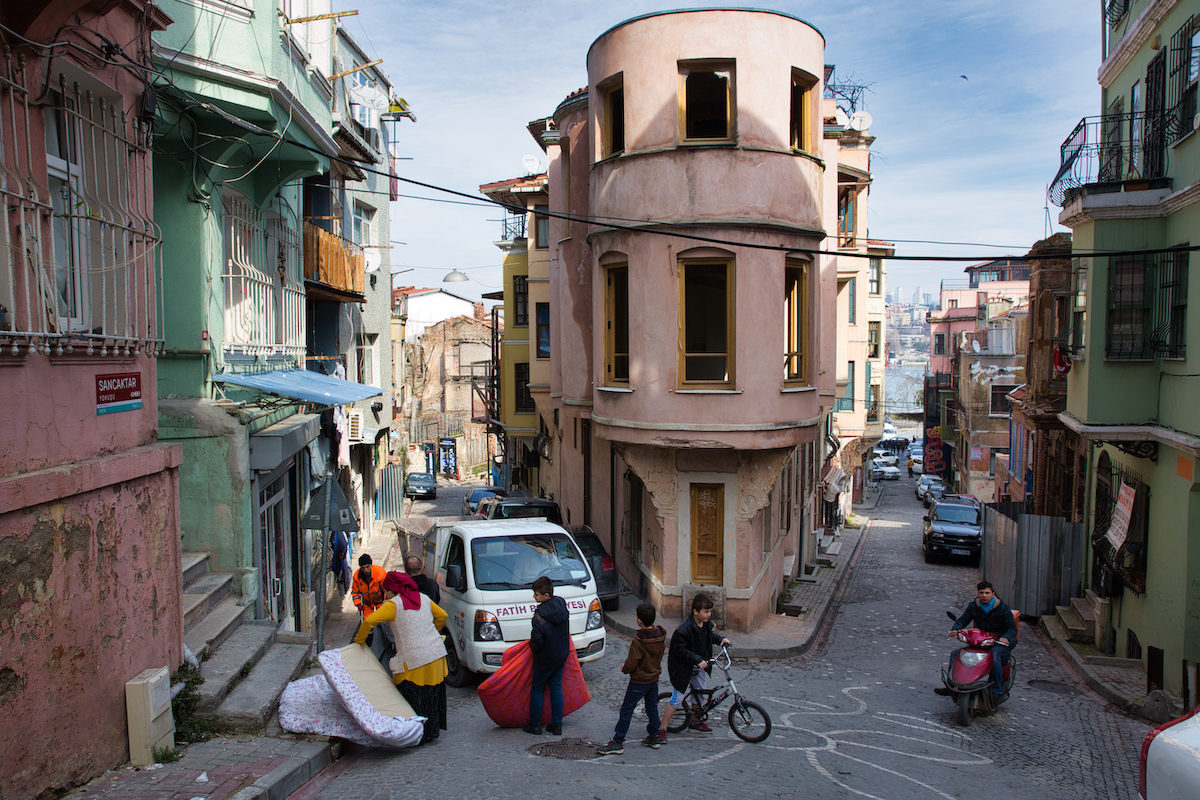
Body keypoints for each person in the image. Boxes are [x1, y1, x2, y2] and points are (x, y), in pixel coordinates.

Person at [355, 571, 449, 743]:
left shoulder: (393, 605)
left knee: (410, 693)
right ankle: (431, 731)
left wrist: (359, 641)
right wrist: (433, 631)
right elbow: (443, 615)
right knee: (431, 692)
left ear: (393, 590)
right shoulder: (423, 598)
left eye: (386, 591)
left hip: (414, 658)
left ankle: (414, 732)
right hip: (436, 653)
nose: (385, 594)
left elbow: (369, 622)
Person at [597, 603, 668, 755]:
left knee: (627, 709)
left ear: (639, 621)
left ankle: (618, 741)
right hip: (653, 677)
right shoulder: (660, 636)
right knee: (651, 707)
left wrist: (624, 668)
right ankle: (654, 736)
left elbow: (632, 662)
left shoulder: (639, 641)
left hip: (639, 680)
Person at [661, 593, 730, 734]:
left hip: (698, 665)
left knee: (699, 694)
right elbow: (681, 651)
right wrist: (698, 660)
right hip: (682, 668)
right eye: (706, 612)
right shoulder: (683, 630)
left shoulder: (705, 625)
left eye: (710, 611)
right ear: (695, 612)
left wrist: (721, 640)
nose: (709, 615)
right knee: (677, 698)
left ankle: (695, 721)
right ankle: (662, 728)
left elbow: (709, 637)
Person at [935, 580, 1017, 697]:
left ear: (993, 594)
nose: (984, 596)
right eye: (982, 593)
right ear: (978, 593)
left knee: (995, 656)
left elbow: (1012, 629)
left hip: (998, 644)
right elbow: (962, 620)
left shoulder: (1003, 608)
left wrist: (1006, 638)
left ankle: (996, 690)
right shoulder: (974, 606)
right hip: (979, 643)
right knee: (956, 654)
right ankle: (951, 686)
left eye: (987, 593)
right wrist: (956, 629)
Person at [524, 576, 569, 736]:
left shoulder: (539, 616)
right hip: (561, 654)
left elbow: (537, 641)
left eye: (536, 594)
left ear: (546, 596)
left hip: (545, 659)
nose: (534, 597)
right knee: (556, 687)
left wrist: (532, 648)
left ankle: (535, 724)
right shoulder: (561, 604)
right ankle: (556, 724)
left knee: (537, 688)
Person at [350, 555, 390, 659]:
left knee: (381, 622)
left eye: (367, 567)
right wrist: (358, 604)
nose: (366, 570)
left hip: (380, 602)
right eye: (363, 568)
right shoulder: (357, 576)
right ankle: (368, 643)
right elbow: (355, 592)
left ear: (371, 565)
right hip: (367, 604)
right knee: (367, 623)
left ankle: (384, 642)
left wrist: (385, 602)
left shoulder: (379, 572)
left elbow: (386, 589)